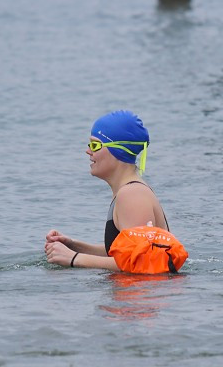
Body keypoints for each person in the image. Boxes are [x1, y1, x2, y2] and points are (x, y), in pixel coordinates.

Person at [45, 110, 170, 271]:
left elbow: (141, 262)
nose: (88, 151)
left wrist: (74, 259)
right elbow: (121, 255)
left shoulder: (132, 195)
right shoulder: (128, 192)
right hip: (135, 294)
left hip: (144, 295)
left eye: (95, 145)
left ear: (118, 149)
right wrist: (73, 246)